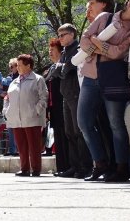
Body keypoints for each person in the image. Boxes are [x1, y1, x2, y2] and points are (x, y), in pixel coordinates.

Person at [78, 0, 130, 182]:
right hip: (90, 77)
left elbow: (118, 53)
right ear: (128, 4)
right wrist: (99, 48)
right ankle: (100, 164)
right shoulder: (105, 17)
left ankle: (121, 167)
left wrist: (98, 45)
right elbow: (84, 39)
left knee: (116, 124)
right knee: (84, 122)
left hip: (113, 80)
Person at [53, 24, 93, 178]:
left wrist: (60, 68)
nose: (60, 38)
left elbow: (65, 70)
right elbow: (61, 71)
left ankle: (85, 166)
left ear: (71, 34)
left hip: (76, 93)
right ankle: (74, 166)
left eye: (62, 35)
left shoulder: (77, 50)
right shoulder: (64, 52)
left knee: (79, 132)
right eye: (59, 35)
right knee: (69, 132)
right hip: (66, 94)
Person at [4, 54, 48, 177]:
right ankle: (24, 168)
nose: (17, 67)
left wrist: (36, 111)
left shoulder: (38, 79)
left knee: (34, 145)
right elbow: (7, 98)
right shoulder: (14, 81)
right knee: (21, 145)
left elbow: (43, 97)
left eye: (19, 65)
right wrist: (6, 111)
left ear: (28, 66)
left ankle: (36, 169)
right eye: (16, 65)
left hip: (32, 118)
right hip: (16, 118)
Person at [44, 39, 70, 176]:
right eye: (49, 50)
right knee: (58, 138)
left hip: (63, 106)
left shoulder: (63, 67)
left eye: (52, 50)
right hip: (54, 109)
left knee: (66, 137)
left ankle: (68, 166)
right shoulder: (51, 68)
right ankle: (61, 167)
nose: (50, 53)